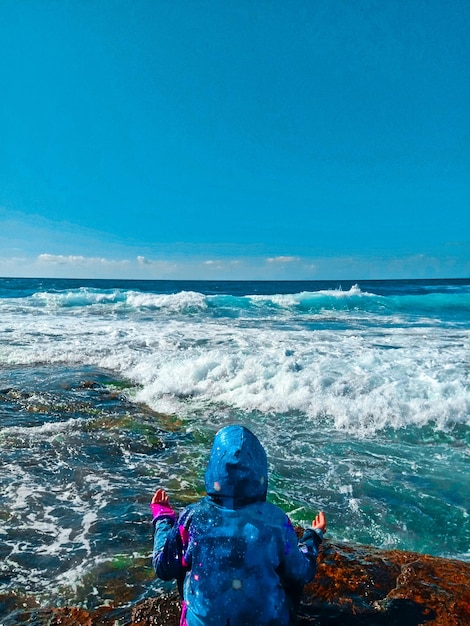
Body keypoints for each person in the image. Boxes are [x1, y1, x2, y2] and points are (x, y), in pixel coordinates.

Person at [151, 424, 327, 626]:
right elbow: (301, 571)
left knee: (182, 558)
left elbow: (163, 567)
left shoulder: (192, 517)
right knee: (290, 572)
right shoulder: (276, 520)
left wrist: (163, 517)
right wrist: (313, 537)